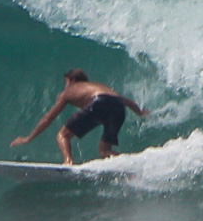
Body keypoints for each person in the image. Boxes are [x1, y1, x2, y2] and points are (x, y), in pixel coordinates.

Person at [10, 69, 148, 165]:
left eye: (66, 82)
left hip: (99, 102)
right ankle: (129, 163)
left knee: (62, 135)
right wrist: (140, 112)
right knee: (105, 150)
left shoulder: (70, 90)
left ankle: (68, 162)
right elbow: (126, 102)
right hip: (119, 106)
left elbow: (48, 118)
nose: (65, 86)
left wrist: (29, 138)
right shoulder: (98, 86)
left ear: (73, 80)